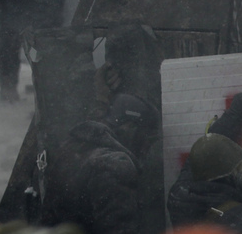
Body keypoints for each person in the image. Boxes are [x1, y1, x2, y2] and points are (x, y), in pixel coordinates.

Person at [41, 93, 160, 234]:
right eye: (147, 138)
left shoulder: (71, 150)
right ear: (129, 127)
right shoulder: (114, 165)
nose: (146, 147)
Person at [168, 92, 242, 231]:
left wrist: (235, 113)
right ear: (229, 174)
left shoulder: (183, 194)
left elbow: (207, 152)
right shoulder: (234, 217)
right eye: (238, 167)